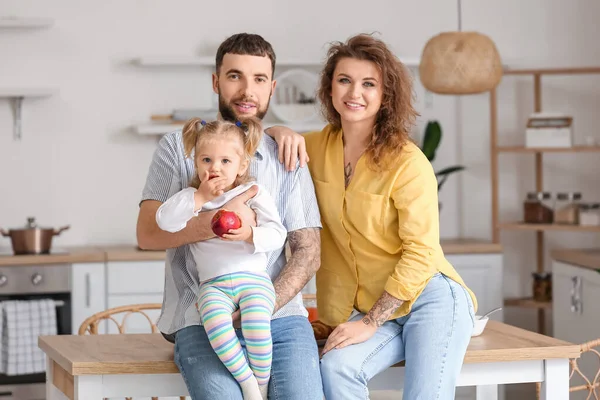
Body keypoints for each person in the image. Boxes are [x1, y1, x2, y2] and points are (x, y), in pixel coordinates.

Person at [266, 33, 477, 400]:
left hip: (429, 298)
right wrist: (278, 129)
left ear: (385, 96)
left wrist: (369, 322)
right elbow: (261, 144)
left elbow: (420, 253)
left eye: (369, 84)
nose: (354, 93)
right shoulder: (315, 147)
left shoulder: (408, 162)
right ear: (329, 89)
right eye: (344, 80)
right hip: (371, 307)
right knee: (335, 369)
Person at [137, 33, 323, 400]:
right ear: (216, 81)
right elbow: (147, 234)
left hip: (280, 316)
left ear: (271, 88)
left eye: (258, 79)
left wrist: (263, 304)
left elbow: (308, 252)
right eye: (235, 76)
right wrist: (213, 223)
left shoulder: (286, 153)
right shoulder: (176, 148)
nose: (246, 91)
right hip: (200, 315)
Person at [156, 117, 286, 400]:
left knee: (256, 324)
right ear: (197, 163)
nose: (214, 168)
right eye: (206, 160)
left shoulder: (252, 193)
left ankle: (262, 383)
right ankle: (248, 381)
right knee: (214, 325)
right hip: (213, 285)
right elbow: (164, 222)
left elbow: (278, 233)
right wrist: (199, 197)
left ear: (242, 165)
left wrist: (249, 233)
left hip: (254, 280)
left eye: (225, 161)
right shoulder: (191, 197)